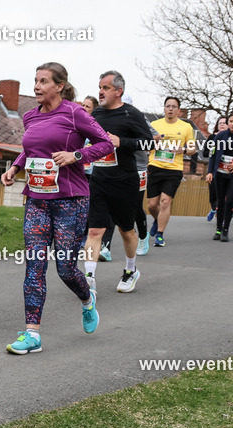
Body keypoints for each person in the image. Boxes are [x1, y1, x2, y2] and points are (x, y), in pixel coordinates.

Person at [0, 62, 112, 355]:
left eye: (43, 81)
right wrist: (14, 168)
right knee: (34, 266)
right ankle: (32, 334)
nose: (36, 86)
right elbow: (30, 149)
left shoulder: (75, 113)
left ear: (59, 86)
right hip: (37, 200)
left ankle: (87, 300)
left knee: (65, 268)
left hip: (71, 201)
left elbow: (106, 143)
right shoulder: (29, 116)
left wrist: (76, 155)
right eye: (35, 81)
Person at [82, 71, 154, 294]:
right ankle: (89, 279)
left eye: (105, 88)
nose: (100, 92)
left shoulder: (131, 114)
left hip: (125, 180)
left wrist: (121, 142)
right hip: (99, 179)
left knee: (126, 231)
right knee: (94, 231)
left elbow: (148, 144)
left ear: (118, 91)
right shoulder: (98, 114)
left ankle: (131, 271)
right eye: (99, 87)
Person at [147, 96, 196, 247]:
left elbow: (193, 149)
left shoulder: (186, 127)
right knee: (151, 204)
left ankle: (160, 235)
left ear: (179, 111)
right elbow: (146, 143)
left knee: (165, 201)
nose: (170, 109)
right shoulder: (154, 124)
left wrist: (183, 150)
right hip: (155, 166)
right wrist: (154, 143)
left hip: (174, 168)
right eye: (168, 106)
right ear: (164, 109)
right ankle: (158, 219)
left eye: (174, 107)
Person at [205, 111, 233, 241]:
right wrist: (210, 172)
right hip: (220, 174)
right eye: (231, 121)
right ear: (228, 123)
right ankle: (218, 229)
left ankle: (226, 229)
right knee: (220, 201)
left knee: (229, 201)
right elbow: (212, 155)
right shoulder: (220, 136)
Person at [202, 116, 228, 222]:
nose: (221, 124)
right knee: (213, 193)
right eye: (219, 123)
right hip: (214, 169)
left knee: (226, 194)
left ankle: (224, 213)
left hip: (227, 169)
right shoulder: (212, 137)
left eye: (224, 123)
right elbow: (204, 153)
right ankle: (214, 208)